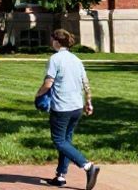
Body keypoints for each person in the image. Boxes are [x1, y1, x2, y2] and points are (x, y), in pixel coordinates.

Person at [34, 29, 100, 189]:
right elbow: (86, 82)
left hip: (61, 107)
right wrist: (89, 102)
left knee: (59, 140)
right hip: (76, 107)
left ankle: (87, 166)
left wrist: (37, 95)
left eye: (52, 39)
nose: (51, 42)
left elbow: (48, 83)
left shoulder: (55, 59)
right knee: (66, 141)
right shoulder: (76, 60)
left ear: (56, 41)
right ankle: (60, 176)